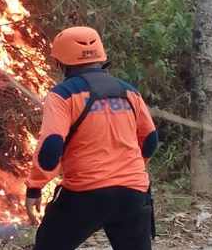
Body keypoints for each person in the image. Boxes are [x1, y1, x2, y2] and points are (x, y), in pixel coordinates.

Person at [24, 26, 159, 250]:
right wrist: (129, 170)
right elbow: (150, 140)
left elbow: (51, 146)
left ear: (61, 62)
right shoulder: (129, 92)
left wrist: (34, 188)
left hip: (84, 193)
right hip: (133, 193)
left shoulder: (62, 95)